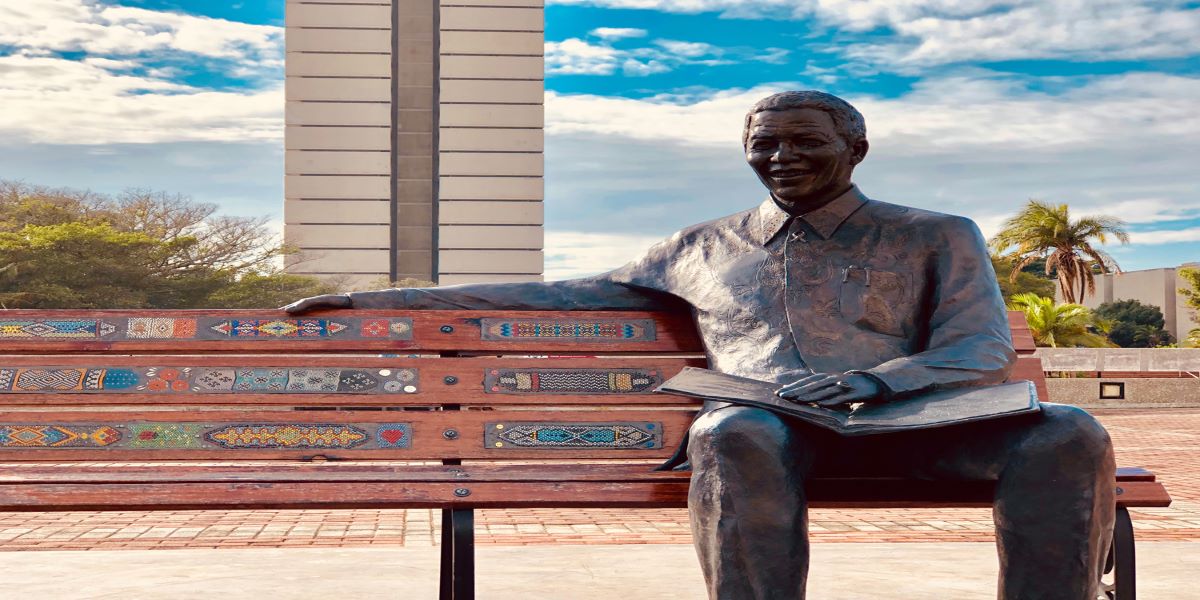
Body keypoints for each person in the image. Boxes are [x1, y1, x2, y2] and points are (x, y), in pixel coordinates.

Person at [284, 90, 1115, 600]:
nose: (780, 157)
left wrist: (876, 382)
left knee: (1069, 430)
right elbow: (558, 293)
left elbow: (976, 349)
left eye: (803, 142)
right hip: (771, 439)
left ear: (853, 149)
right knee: (731, 428)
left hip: (921, 433)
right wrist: (377, 298)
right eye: (764, 143)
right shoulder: (700, 245)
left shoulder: (934, 235)